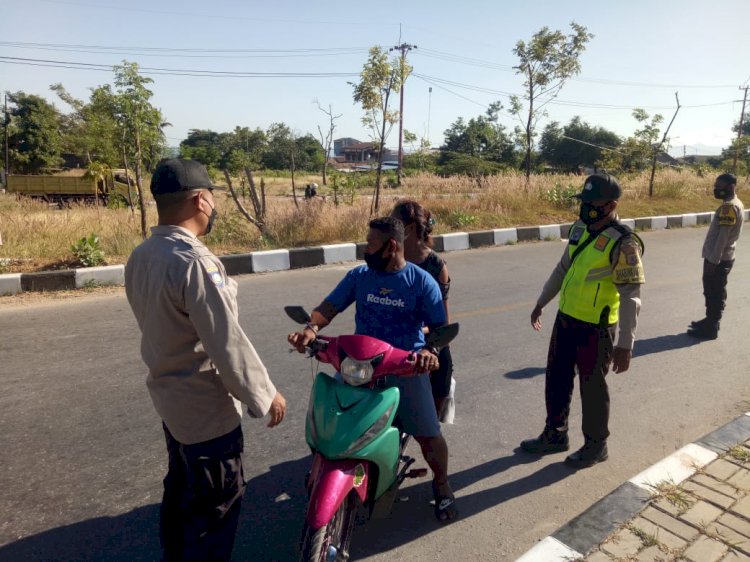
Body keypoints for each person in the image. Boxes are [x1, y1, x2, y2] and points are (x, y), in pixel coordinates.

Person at [125, 158, 287, 562]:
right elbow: (227, 344)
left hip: (171, 401)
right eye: (212, 197)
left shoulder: (143, 254)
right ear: (200, 199)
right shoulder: (194, 262)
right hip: (206, 412)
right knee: (216, 510)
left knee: (181, 494)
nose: (213, 206)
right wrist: (266, 396)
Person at [287, 216, 457, 522]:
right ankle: (326, 473)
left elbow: (439, 330)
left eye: (371, 243)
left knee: (428, 434)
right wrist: (311, 330)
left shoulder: (421, 282)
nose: (365, 248)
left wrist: (430, 352)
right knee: (330, 423)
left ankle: (442, 484)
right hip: (359, 365)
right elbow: (329, 307)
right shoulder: (359, 276)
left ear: (391, 246)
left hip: (404, 367)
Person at [521, 173, 645, 469]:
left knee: (593, 389)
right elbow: (563, 267)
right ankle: (555, 433)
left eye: (593, 203)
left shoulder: (624, 244)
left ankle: (595, 445)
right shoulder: (580, 229)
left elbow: (631, 296)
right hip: (566, 320)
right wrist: (541, 301)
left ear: (612, 204)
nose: (586, 207)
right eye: (584, 201)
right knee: (556, 380)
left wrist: (625, 345)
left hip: (597, 328)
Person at [391, 199, 454, 419]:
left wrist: (416, 330)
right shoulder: (388, 258)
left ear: (408, 229)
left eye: (393, 221)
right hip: (392, 343)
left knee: (431, 423)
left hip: (428, 346)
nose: (390, 226)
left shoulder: (435, 266)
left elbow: (442, 324)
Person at [687, 173, 744, 340]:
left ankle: (711, 328)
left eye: (720, 186)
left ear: (731, 187)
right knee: (710, 291)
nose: (716, 189)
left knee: (715, 292)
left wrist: (713, 261)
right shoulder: (732, 204)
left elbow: (723, 237)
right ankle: (709, 320)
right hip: (719, 257)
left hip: (718, 258)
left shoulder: (729, 207)